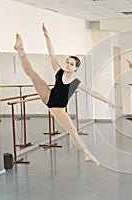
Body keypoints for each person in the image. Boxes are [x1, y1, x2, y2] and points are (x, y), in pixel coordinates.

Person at [13, 23, 119, 167]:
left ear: (76, 68)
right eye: (67, 62)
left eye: (71, 64)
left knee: (72, 131)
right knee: (34, 75)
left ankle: (86, 153)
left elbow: (93, 93)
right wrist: (47, 36)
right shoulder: (58, 71)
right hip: (48, 96)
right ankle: (20, 51)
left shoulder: (76, 82)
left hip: (58, 108)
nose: (68, 64)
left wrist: (109, 102)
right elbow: (51, 53)